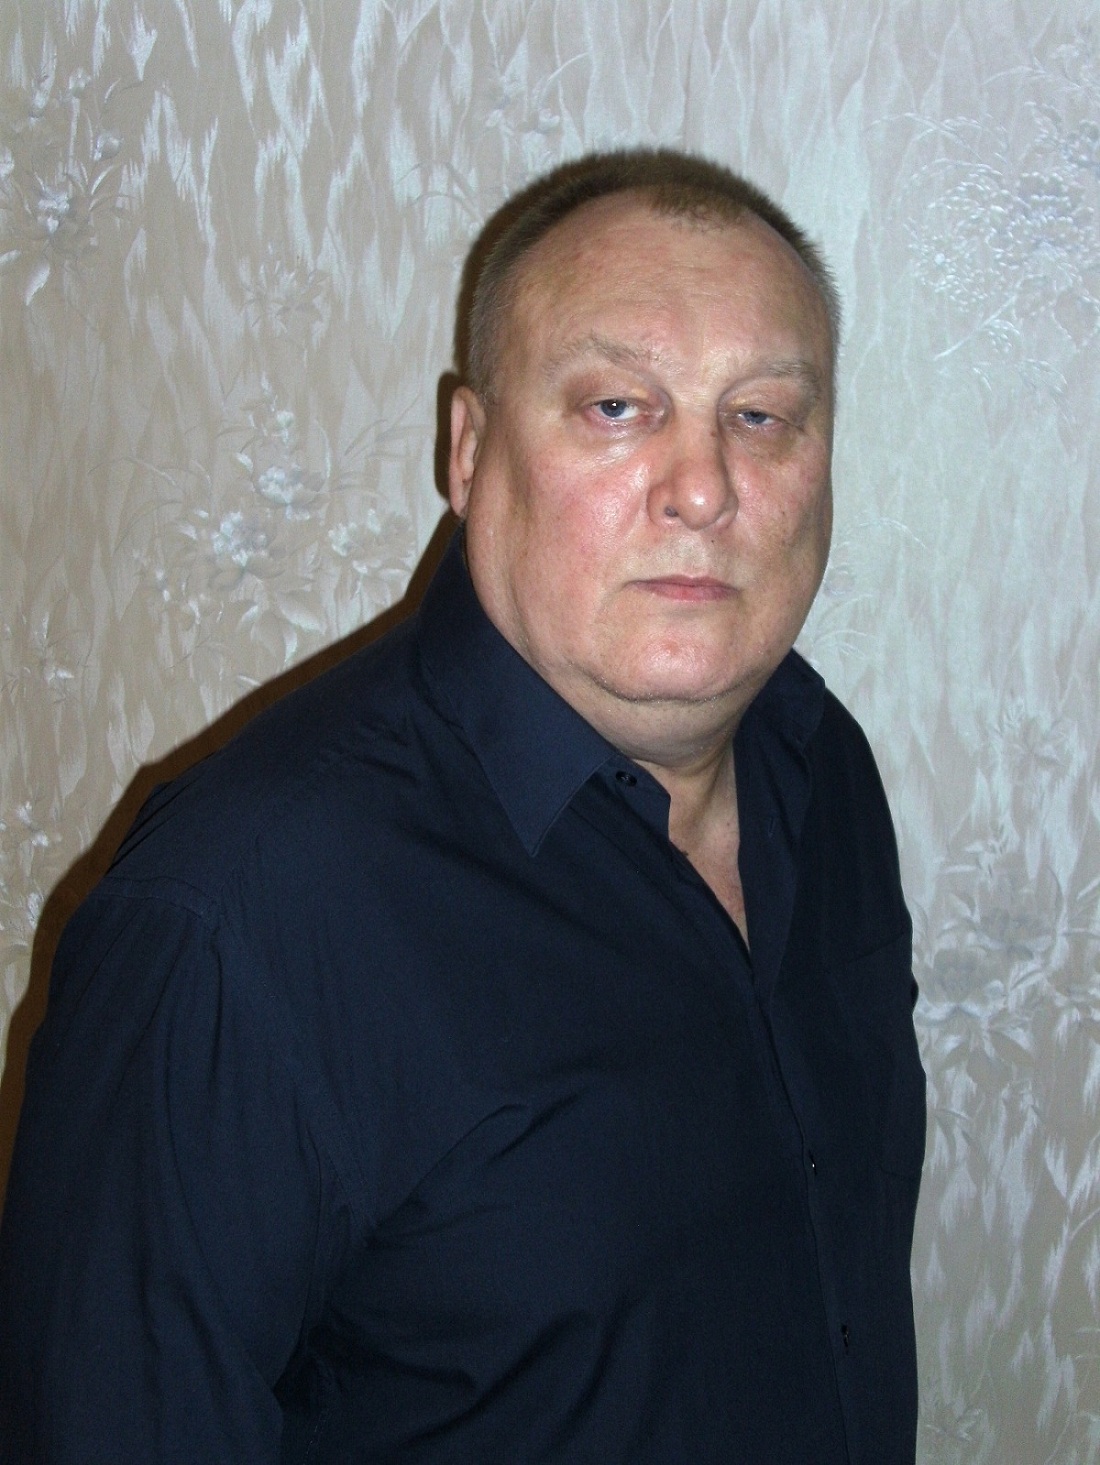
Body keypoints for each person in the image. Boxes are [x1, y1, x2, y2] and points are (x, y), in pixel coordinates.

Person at [0, 149, 925, 1462]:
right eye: (618, 406)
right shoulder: (233, 923)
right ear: (471, 451)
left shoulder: (821, 774)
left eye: (763, 415)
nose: (704, 485)